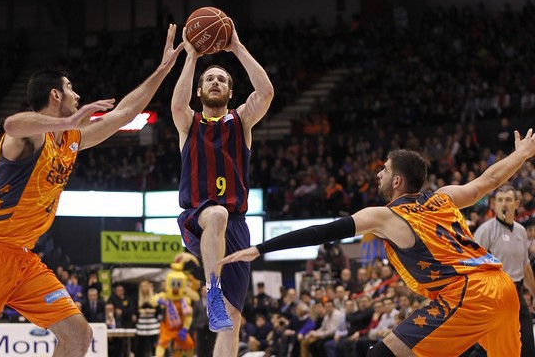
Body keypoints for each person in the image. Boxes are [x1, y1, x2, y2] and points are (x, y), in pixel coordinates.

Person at [0, 25, 184, 357]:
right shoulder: (32, 135)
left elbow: (124, 112)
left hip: (22, 260)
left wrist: (162, 70)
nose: (77, 96)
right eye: (71, 89)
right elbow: (11, 126)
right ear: (55, 96)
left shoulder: (72, 140)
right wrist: (67, 121)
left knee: (78, 334)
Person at [222, 130, 535, 356]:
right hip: (504, 288)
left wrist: (262, 248)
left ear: (397, 180)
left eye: (384, 169)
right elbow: (490, 180)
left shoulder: (385, 216)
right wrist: (521, 154)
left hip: (468, 294)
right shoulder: (445, 197)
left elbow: (323, 231)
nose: (378, 174)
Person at [170, 19, 273, 357]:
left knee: (232, 321)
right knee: (215, 213)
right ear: (199, 91)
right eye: (209, 79)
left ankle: (220, 305)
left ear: (231, 93)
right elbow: (176, 104)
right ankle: (211, 290)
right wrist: (191, 55)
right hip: (197, 218)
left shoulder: (241, 121)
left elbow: (266, 93)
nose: (215, 82)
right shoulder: (189, 122)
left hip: (237, 226)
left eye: (222, 80)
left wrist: (237, 47)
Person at [473, 183, 535, 356]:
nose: (504, 204)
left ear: (517, 204)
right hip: (494, 297)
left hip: (517, 292)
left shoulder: (522, 231)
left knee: (528, 344)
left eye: (508, 200)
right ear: (494, 204)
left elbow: (525, 266)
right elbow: (473, 269)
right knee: (490, 349)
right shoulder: (485, 231)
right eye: (500, 200)